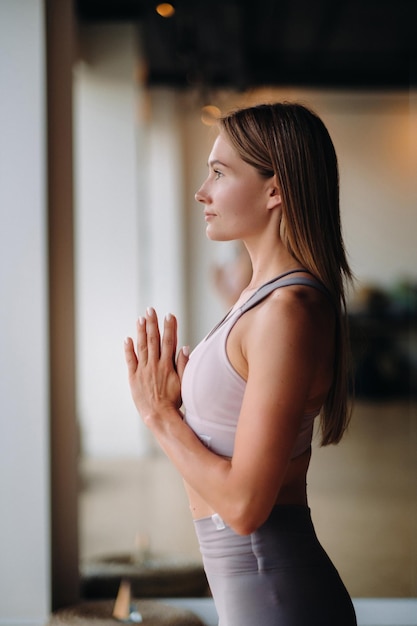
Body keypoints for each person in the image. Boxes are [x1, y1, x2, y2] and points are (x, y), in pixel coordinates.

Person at [124, 102, 357, 626]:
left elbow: (245, 506)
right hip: (260, 596)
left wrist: (159, 415)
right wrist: (183, 404)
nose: (201, 191)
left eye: (219, 172)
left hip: (278, 600)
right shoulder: (261, 297)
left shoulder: (287, 312)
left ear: (275, 190)